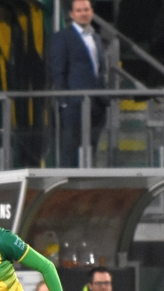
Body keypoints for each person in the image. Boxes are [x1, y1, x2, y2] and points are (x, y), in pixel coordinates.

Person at [50, 0, 108, 168]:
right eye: (79, 10)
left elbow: (98, 69)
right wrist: (65, 101)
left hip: (97, 103)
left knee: (92, 148)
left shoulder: (96, 37)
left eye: (86, 9)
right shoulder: (62, 38)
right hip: (74, 104)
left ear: (92, 12)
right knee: (71, 150)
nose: (83, 13)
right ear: (72, 14)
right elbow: (58, 71)